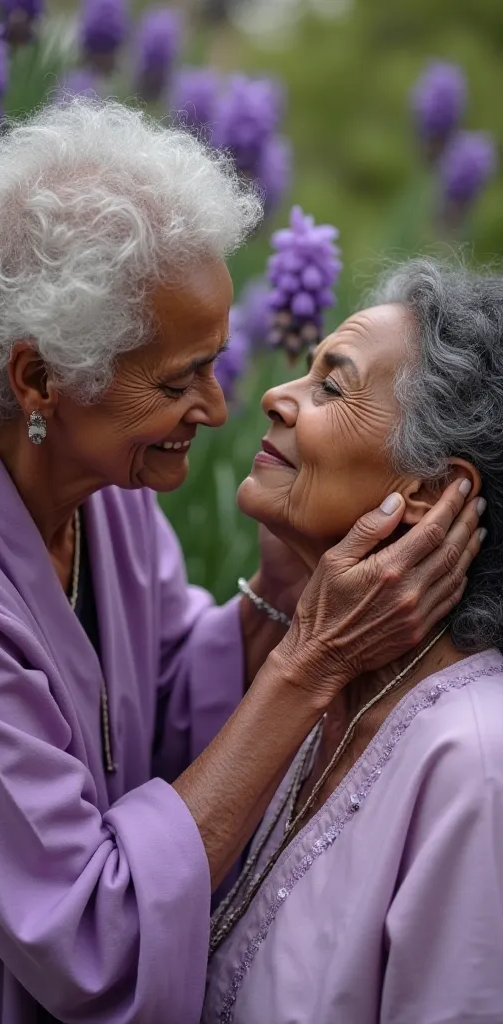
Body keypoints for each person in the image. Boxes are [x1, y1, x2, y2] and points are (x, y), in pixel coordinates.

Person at [0, 101, 481, 1024]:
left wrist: (280, 594)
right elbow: (90, 937)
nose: (222, 410)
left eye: (215, 364)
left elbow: (164, 710)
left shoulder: (99, 486)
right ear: (38, 379)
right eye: (177, 381)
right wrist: (313, 659)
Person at [204, 257, 503, 1024]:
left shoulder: (475, 766)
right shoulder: (345, 678)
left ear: (433, 495)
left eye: (331, 386)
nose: (274, 395)